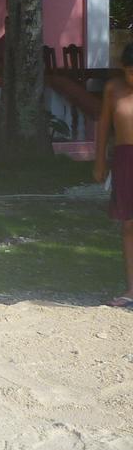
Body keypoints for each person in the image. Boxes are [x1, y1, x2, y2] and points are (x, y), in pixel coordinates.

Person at [95, 43, 133, 307]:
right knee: (129, 225)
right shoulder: (113, 89)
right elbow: (103, 128)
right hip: (125, 160)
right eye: (131, 72)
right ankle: (132, 289)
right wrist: (99, 162)